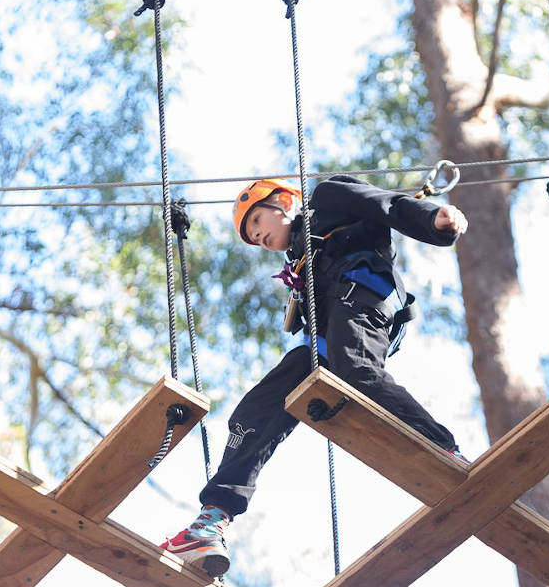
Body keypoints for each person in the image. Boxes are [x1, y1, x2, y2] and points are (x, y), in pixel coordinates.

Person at [159, 175, 469, 577]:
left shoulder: (327, 198)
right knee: (257, 409)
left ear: (285, 201)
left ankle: (445, 450)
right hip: (326, 337)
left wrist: (434, 219)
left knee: (354, 372)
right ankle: (211, 520)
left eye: (257, 223)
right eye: (252, 237)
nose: (258, 237)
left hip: (362, 295)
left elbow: (387, 205)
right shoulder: (300, 261)